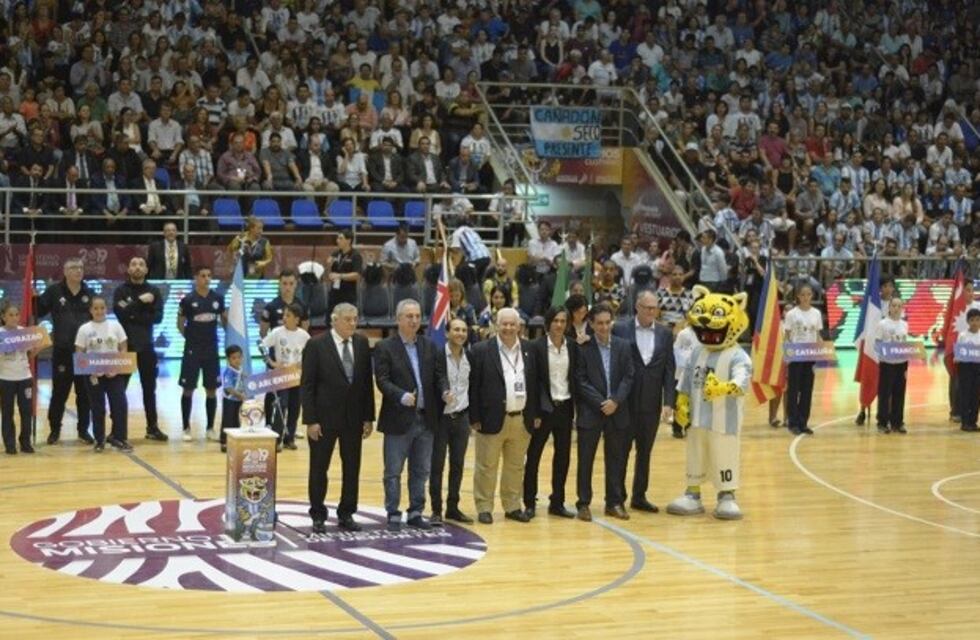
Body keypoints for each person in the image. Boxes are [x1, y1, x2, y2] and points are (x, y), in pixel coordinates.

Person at [374, 299, 449, 531]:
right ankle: (393, 513)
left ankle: (416, 511)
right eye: (409, 316)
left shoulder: (429, 345)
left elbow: (439, 375)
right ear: (398, 319)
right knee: (393, 471)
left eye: (417, 316)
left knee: (421, 470)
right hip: (398, 419)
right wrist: (401, 396)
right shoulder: (385, 347)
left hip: (426, 419)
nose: (415, 320)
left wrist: (445, 390)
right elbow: (382, 380)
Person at [302, 303, 375, 533]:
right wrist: (311, 420)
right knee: (319, 468)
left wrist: (368, 417)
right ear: (335, 320)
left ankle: (347, 513)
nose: (353, 323)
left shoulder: (362, 343)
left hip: (353, 419)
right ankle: (317, 515)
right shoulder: (316, 345)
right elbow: (307, 385)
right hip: (323, 420)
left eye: (355, 319)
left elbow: (366, 384)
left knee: (352, 468)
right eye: (348, 319)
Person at [469, 307, 539, 524]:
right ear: (496, 325)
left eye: (512, 324)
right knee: (486, 466)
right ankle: (484, 507)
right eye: (504, 324)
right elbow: (474, 387)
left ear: (519, 326)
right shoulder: (481, 350)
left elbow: (536, 384)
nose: (508, 328)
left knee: (516, 466)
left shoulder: (530, 349)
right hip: (490, 419)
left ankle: (512, 505)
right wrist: (475, 417)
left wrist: (535, 413)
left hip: (521, 419)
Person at [614, 291, 675, 513]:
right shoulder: (620, 328)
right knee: (621, 451)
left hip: (651, 404)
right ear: (637, 307)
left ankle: (639, 496)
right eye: (647, 308)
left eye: (654, 308)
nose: (651, 312)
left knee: (645, 452)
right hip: (625, 402)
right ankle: (617, 497)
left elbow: (669, 369)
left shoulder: (665, 334)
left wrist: (669, 401)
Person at [575, 304, 635, 521]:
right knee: (585, 459)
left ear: (612, 322)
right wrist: (602, 402)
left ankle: (614, 502)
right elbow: (580, 380)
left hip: (617, 411)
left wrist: (616, 400)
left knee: (616, 459)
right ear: (591, 324)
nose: (603, 327)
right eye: (599, 323)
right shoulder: (583, 347)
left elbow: (629, 376)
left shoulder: (624, 346)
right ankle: (583, 503)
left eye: (607, 322)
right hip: (592, 411)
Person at [525, 306, 577, 518]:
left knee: (563, 456)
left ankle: (557, 501)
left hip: (565, 407)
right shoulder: (536, 347)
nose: (559, 325)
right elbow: (533, 381)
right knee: (534, 456)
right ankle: (529, 502)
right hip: (543, 410)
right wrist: (535, 412)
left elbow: (574, 378)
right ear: (548, 323)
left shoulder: (572, 347)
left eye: (563, 321)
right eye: (556, 320)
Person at [36, 259, 93, 445]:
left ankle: (83, 430)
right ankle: (54, 430)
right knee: (60, 392)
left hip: (84, 353)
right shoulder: (54, 291)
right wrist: (33, 298)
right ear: (65, 271)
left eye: (81, 268)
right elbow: (38, 311)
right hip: (62, 351)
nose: (78, 271)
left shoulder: (89, 293)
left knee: (84, 393)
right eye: (74, 268)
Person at [112, 256, 167, 441]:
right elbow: (121, 315)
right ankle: (116, 430)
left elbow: (157, 318)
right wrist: (141, 302)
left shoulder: (154, 291)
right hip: (125, 348)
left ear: (146, 270)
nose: (137, 267)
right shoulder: (120, 291)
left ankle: (152, 427)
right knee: (119, 391)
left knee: (149, 389)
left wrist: (134, 313)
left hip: (147, 347)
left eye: (141, 264)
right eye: (133, 264)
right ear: (128, 269)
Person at [430, 317, 475, 525]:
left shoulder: (470, 356)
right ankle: (436, 510)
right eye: (456, 329)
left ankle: (453, 507)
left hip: (462, 417)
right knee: (437, 465)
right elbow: (439, 378)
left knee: (457, 465)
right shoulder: (438, 355)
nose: (460, 333)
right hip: (442, 419)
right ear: (447, 333)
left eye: (464, 330)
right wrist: (444, 391)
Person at [75, 296, 131, 452]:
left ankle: (119, 438)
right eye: (96, 308)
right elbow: (79, 353)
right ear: (90, 310)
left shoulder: (115, 326)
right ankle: (99, 440)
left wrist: (116, 367)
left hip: (114, 373)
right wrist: (91, 368)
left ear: (106, 309)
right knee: (97, 407)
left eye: (102, 308)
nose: (99, 311)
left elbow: (123, 347)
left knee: (119, 404)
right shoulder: (84, 329)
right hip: (93, 375)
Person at [178, 266, 226, 442]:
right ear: (196, 278)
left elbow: (224, 320)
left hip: (211, 349)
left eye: (209, 275)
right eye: (203, 275)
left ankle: (210, 428)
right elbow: (180, 323)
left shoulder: (218, 299)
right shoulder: (188, 300)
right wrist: (191, 338)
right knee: (188, 388)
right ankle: (185, 427)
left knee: (211, 389)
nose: (206, 278)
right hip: (192, 350)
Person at [262, 304, 311, 451]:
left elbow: (310, 353)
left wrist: (304, 364)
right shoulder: (277, 332)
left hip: (297, 377)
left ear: (297, 319)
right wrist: (271, 363)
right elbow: (261, 345)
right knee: (281, 406)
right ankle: (277, 439)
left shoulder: (304, 335)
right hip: (281, 376)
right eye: (284, 315)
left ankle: (290, 438)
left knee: (295, 407)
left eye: (288, 316)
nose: (284, 318)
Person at [783, 285, 823, 436]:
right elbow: (787, 335)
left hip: (810, 355)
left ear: (812, 295)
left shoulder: (817, 313)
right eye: (803, 294)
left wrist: (822, 353)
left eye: (809, 294)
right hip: (796, 355)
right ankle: (792, 422)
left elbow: (817, 335)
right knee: (794, 390)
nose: (806, 297)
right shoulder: (792, 314)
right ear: (798, 296)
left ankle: (803, 422)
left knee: (807, 390)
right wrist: (788, 354)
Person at [0, 301, 37, 454]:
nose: (14, 318)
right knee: (7, 412)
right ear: (3, 317)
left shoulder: (23, 332)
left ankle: (25, 442)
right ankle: (10, 444)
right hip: (5, 379)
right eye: (10, 315)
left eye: (16, 315)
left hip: (24, 378)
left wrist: (38, 347)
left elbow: (30, 355)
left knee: (26, 411)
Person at [877, 297, 909, 434]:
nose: (896, 308)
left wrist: (906, 363)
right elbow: (877, 343)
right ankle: (882, 422)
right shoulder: (883, 324)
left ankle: (897, 422)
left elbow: (904, 345)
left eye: (899, 306)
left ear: (902, 308)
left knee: (899, 393)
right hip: (887, 364)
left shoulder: (904, 325)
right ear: (889, 307)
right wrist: (885, 352)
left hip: (901, 364)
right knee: (885, 394)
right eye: (894, 305)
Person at [326, 229, 363, 323]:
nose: (337, 240)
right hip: (334, 293)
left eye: (340, 238)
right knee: (330, 321)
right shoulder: (336, 253)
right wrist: (328, 266)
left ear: (349, 240)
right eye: (337, 238)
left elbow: (357, 275)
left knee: (347, 321)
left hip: (348, 295)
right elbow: (329, 272)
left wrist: (340, 276)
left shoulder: (355, 255)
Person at [954, 309, 980, 433]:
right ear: (968, 322)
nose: (975, 323)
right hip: (965, 368)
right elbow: (958, 352)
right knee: (966, 394)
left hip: (978, 368)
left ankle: (973, 421)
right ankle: (965, 422)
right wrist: (957, 357)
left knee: (975, 395)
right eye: (972, 320)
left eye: (977, 320)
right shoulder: (963, 335)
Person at [219, 345, 247, 453]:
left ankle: (235, 440)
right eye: (234, 358)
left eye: (239, 357)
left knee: (236, 420)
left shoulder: (239, 369)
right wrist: (239, 395)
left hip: (237, 401)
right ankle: (224, 442)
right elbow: (228, 387)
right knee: (227, 421)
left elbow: (242, 377)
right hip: (230, 400)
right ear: (228, 359)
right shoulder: (228, 371)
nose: (237, 360)